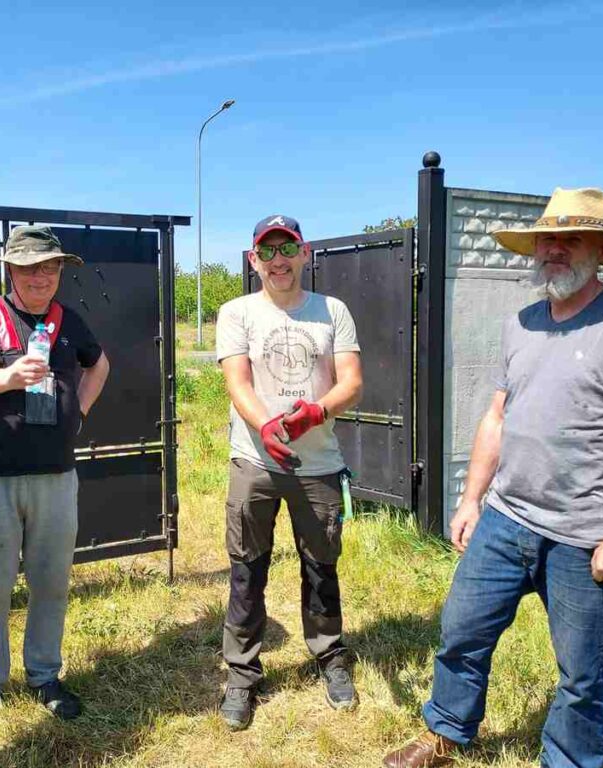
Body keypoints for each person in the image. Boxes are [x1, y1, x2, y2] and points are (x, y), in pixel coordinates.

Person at [382, 188, 603, 768]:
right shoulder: (521, 323)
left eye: (569, 238)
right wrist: (470, 500)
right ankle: (446, 732)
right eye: (546, 238)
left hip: (583, 534)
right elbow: (497, 417)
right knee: (461, 632)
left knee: (582, 671)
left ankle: (568, 760)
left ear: (599, 248)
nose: (553, 249)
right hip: (506, 518)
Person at [0, 225, 110, 739]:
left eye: (51, 266)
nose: (42, 276)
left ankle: (45, 677)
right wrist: (3, 380)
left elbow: (99, 365)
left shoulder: (68, 321)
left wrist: (77, 408)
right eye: (31, 266)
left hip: (56, 477)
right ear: (8, 269)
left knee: (52, 585)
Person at [214, 214, 364, 730]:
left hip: (318, 463)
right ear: (254, 260)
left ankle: (329, 657)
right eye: (267, 251)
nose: (278, 260)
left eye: (287, 249)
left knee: (321, 564)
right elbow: (237, 382)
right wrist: (270, 427)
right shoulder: (236, 312)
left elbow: (351, 383)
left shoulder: (333, 311)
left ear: (305, 254)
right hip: (255, 460)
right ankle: (241, 674)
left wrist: (316, 413)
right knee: (246, 568)